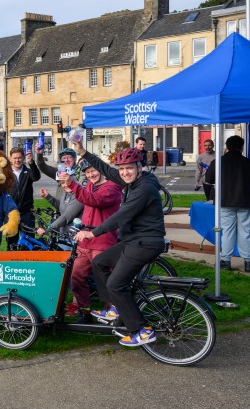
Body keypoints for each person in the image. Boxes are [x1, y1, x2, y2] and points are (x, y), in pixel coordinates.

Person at [71, 142, 166, 347]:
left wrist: (93, 232)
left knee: (116, 284)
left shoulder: (145, 188)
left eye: (129, 168)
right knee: (100, 263)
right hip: (134, 240)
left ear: (139, 167)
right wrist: (83, 151)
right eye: (122, 169)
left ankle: (141, 330)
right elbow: (106, 169)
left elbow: (122, 215)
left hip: (145, 243)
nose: (124, 172)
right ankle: (114, 307)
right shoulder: (131, 182)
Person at [57, 164, 121, 322]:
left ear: (101, 170)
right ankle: (85, 311)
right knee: (77, 277)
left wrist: (72, 183)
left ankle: (113, 312)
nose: (91, 174)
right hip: (84, 242)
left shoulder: (112, 187)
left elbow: (94, 201)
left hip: (103, 242)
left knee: (106, 281)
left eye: (93, 171)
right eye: (87, 172)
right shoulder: (90, 185)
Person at [205, 135, 250, 272]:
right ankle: (248, 263)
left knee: (227, 232)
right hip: (246, 201)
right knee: (247, 232)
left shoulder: (218, 162)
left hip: (225, 201)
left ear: (227, 147)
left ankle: (225, 261)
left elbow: (208, 179)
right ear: (242, 147)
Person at [7, 146, 41, 247]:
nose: (17, 160)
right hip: (11, 213)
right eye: (15, 158)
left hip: (26, 213)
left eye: (19, 158)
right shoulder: (6, 174)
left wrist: (31, 162)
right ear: (10, 159)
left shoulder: (28, 172)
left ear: (23, 158)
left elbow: (36, 177)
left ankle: (28, 262)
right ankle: (12, 262)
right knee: (11, 242)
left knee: (29, 241)